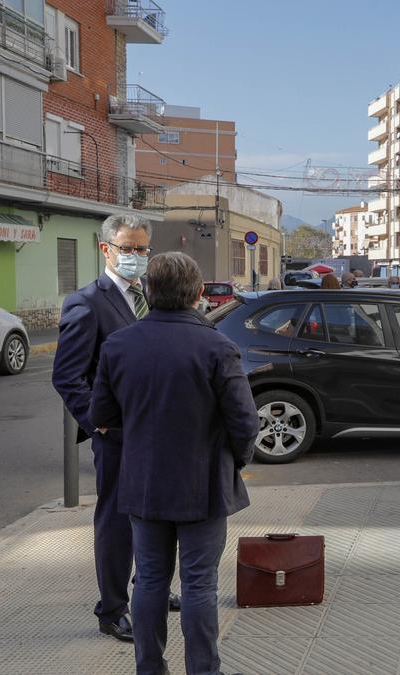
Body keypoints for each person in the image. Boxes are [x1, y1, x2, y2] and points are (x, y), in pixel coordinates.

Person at [91, 252, 258, 675]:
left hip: (143, 484)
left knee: (148, 580)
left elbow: (102, 416)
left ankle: (149, 668)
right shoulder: (218, 347)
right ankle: (203, 670)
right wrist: (234, 462)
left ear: (147, 292)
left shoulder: (118, 345)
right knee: (200, 583)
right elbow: (244, 422)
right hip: (202, 485)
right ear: (200, 294)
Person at [52, 214, 179, 643]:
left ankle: (151, 590)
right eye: (128, 249)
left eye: (143, 249)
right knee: (117, 521)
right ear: (105, 249)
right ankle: (111, 608)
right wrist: (98, 424)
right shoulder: (86, 302)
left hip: (158, 431)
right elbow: (68, 376)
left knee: (158, 516)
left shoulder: (153, 295)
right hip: (118, 436)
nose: (137, 257)